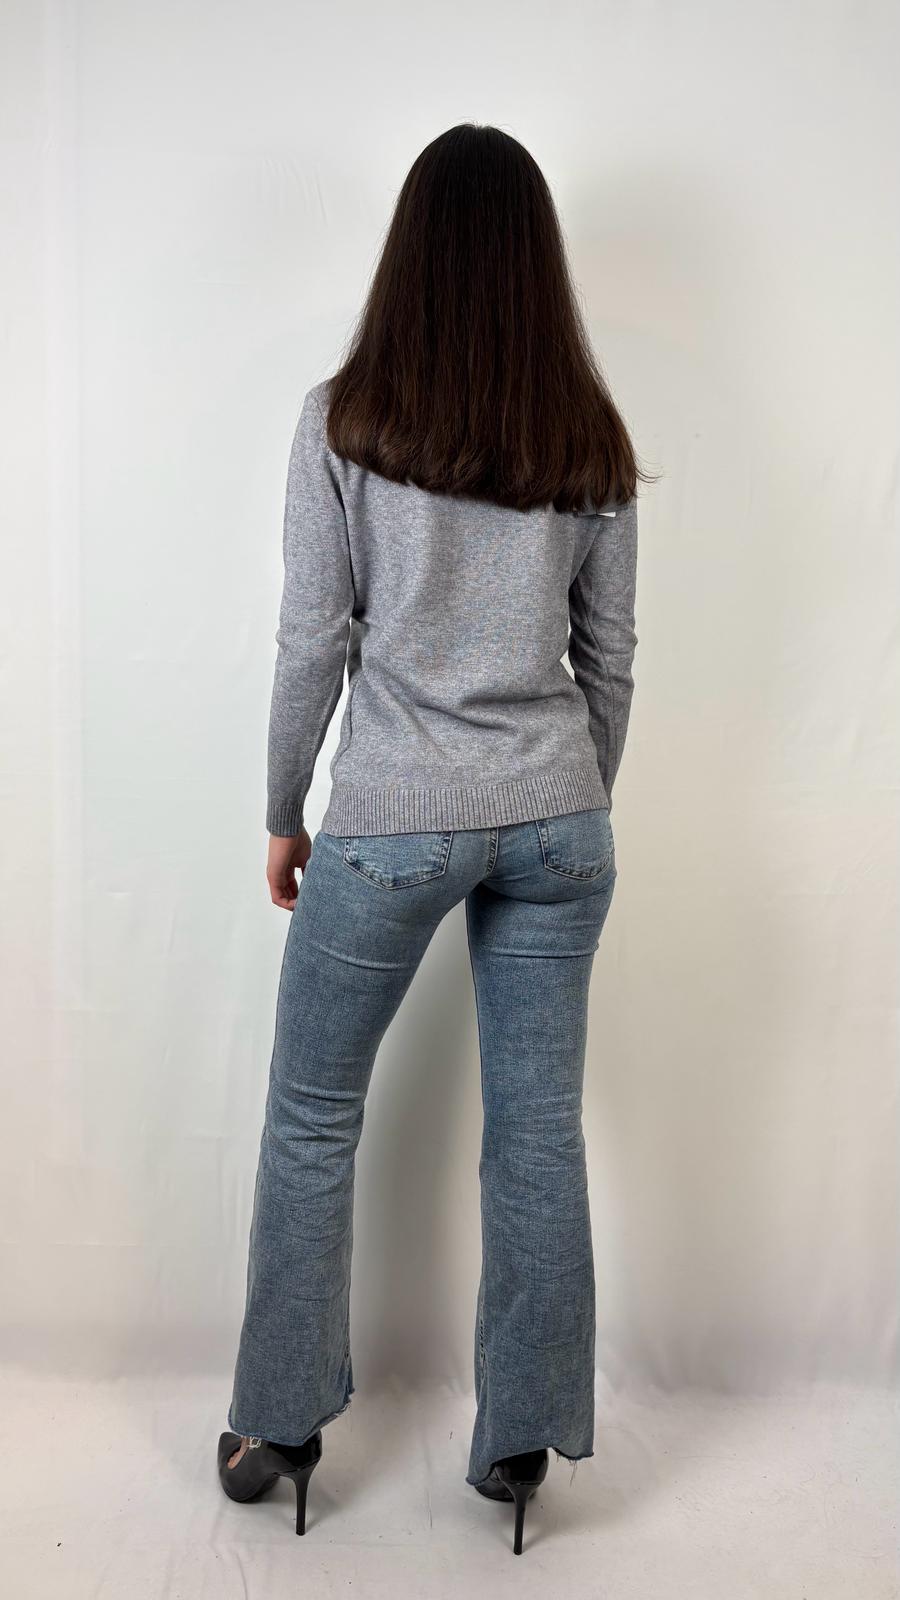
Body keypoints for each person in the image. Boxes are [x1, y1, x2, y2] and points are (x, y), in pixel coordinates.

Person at [217, 121, 653, 1555]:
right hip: (559, 820)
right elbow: (611, 657)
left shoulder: (345, 421)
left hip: (392, 818)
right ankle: (521, 1440)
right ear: (537, 263)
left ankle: (280, 1425)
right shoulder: (587, 436)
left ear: (411, 253)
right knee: (537, 1131)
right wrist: (573, 801)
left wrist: (285, 810)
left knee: (311, 1115)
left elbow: (311, 641)